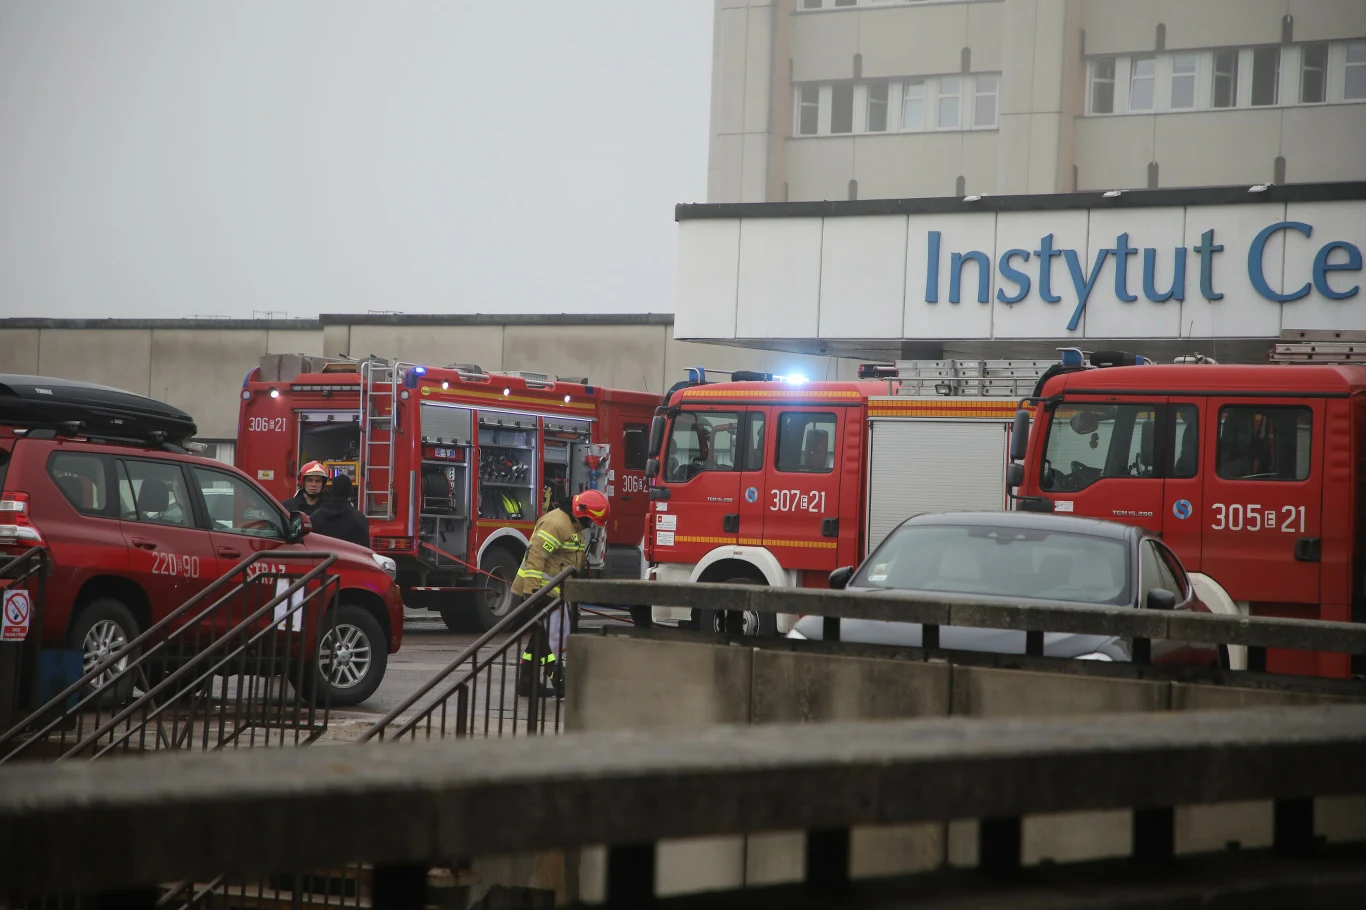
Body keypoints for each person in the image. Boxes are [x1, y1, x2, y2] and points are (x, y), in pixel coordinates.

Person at [513, 488, 610, 698]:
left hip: (556, 594)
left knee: (540, 639)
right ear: (581, 514)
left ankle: (526, 682)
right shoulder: (556, 524)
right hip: (539, 591)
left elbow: (570, 559)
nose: (591, 525)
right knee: (551, 639)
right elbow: (535, 557)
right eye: (590, 521)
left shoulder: (574, 525)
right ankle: (561, 681)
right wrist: (532, 593)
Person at [308, 474, 371, 548]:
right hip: (347, 559)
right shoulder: (358, 518)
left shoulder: (315, 517)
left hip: (323, 559)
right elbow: (365, 549)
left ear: (332, 490)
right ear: (350, 492)